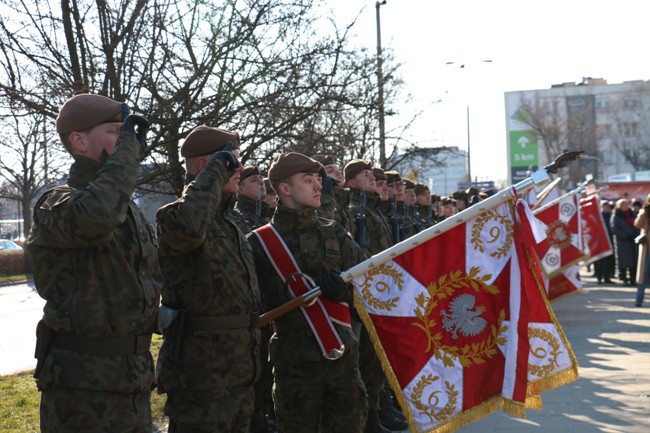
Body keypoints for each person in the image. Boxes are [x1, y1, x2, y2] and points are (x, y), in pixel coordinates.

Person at [27, 93, 162, 432]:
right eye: (116, 132)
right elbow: (95, 218)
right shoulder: (56, 203)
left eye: (126, 133)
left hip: (133, 381)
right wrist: (128, 151)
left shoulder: (127, 210)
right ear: (79, 141)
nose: (128, 141)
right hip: (82, 388)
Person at [248, 152, 368, 433]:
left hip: (343, 360)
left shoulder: (334, 232)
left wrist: (344, 293)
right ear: (284, 189)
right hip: (295, 366)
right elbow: (251, 307)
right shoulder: (259, 243)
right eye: (309, 180)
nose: (318, 187)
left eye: (318, 180)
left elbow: (371, 286)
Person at [155, 125, 261, 433]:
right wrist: (216, 171)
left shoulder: (230, 225)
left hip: (241, 374)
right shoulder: (173, 217)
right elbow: (190, 226)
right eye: (231, 160)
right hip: (200, 379)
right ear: (206, 166)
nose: (240, 168)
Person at [610, 198, 640, 286]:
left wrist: (636, 235)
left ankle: (633, 279)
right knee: (624, 261)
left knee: (634, 261)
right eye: (624, 205)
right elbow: (614, 228)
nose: (626, 206)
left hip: (633, 240)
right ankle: (624, 278)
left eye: (627, 204)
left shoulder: (632, 214)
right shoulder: (616, 215)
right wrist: (624, 236)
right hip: (623, 242)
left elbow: (637, 224)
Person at [234, 165, 267, 231]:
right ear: (241, 189)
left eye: (261, 178)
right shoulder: (237, 220)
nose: (261, 182)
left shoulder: (267, 217)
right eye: (254, 180)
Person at [634, 194, 650, 307]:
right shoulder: (645, 211)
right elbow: (637, 224)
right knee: (643, 275)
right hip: (647, 248)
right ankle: (639, 299)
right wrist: (644, 211)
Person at [594, 201, 615, 284]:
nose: (608, 208)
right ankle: (599, 277)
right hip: (601, 241)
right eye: (606, 207)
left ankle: (607, 278)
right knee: (600, 260)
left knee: (608, 260)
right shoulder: (599, 216)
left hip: (609, 240)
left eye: (609, 207)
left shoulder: (611, 215)